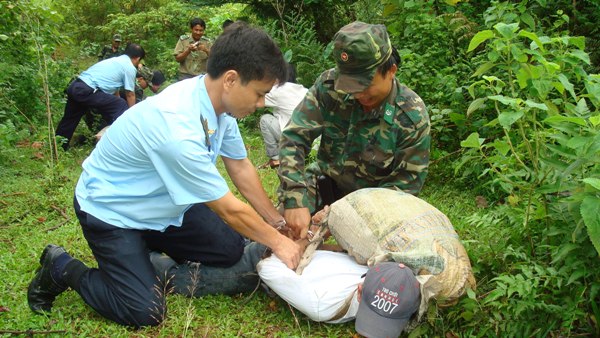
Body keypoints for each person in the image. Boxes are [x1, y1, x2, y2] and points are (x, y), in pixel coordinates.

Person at [27, 22, 301, 327]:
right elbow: (228, 209)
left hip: (164, 203)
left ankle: (147, 253)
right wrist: (280, 243)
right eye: (260, 94)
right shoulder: (177, 125)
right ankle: (62, 266)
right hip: (112, 210)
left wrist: (275, 222)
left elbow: (239, 165)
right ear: (231, 80)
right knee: (144, 312)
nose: (261, 103)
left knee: (230, 249)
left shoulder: (217, 106)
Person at [277, 21, 431, 239]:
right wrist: (294, 197)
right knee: (285, 229)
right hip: (322, 185)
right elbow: (294, 137)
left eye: (365, 85)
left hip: (373, 208)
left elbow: (405, 187)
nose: (358, 94)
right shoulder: (329, 87)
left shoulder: (410, 117)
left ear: (391, 71)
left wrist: (342, 217)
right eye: (350, 85)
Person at [258, 251, 421, 338]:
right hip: (269, 253)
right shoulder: (322, 305)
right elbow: (265, 267)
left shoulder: (377, 269)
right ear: (359, 291)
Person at [55, 43, 145, 150]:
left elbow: (114, 90)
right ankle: (119, 143)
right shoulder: (129, 67)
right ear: (138, 58)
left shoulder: (114, 61)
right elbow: (130, 94)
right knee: (121, 105)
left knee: (69, 120)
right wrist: (131, 116)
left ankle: (58, 148)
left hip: (76, 86)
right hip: (88, 90)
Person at [258, 62, 308, 169]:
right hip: (311, 140)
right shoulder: (304, 90)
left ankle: (275, 158)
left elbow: (255, 98)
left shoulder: (277, 90)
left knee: (265, 119)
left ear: (277, 77)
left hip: (294, 138)